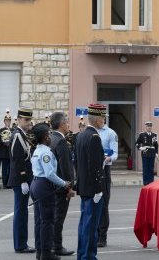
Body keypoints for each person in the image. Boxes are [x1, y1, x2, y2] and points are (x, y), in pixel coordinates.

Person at [30, 123, 72, 260]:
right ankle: (46, 253)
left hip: (36, 184)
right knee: (47, 221)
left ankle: (40, 251)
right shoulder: (46, 152)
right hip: (44, 185)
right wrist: (64, 183)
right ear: (44, 137)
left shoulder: (37, 150)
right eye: (48, 134)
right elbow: (49, 174)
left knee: (39, 220)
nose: (50, 136)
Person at [75, 104, 105, 260]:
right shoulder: (94, 137)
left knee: (84, 225)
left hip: (84, 186)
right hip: (93, 189)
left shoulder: (80, 135)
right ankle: (88, 256)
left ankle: (82, 255)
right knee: (91, 226)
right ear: (98, 119)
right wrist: (99, 189)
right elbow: (94, 167)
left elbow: (79, 164)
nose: (104, 120)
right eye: (103, 117)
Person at [8, 107, 35, 254]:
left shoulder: (22, 134)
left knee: (22, 211)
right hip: (20, 179)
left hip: (21, 179)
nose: (28, 122)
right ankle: (20, 244)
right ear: (18, 120)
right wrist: (24, 179)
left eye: (29, 119)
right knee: (20, 212)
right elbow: (17, 159)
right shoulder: (18, 135)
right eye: (26, 120)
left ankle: (22, 243)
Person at [49, 112, 76, 256]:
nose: (68, 124)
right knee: (59, 217)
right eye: (66, 122)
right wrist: (69, 186)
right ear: (61, 124)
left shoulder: (51, 138)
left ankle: (53, 244)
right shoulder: (60, 141)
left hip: (53, 184)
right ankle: (57, 246)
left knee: (54, 217)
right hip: (61, 186)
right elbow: (66, 167)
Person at [97, 116, 118, 248]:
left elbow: (115, 153)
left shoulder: (110, 133)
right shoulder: (89, 131)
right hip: (91, 170)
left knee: (103, 204)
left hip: (104, 169)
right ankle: (93, 233)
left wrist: (108, 158)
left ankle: (102, 237)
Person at [0, 109, 13, 189]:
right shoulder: (1, 130)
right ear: (4, 121)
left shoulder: (13, 130)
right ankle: (4, 183)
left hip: (10, 152)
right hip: (3, 152)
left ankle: (9, 183)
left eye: (9, 121)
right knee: (4, 169)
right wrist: (4, 142)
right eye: (6, 121)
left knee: (10, 168)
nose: (8, 122)